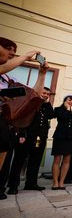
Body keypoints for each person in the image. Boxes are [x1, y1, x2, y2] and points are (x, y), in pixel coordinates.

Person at [0, 37, 42, 175]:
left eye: (14, 50)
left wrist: (42, 73)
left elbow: (33, 94)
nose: (12, 52)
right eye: (8, 48)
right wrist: (25, 56)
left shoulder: (8, 78)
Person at [7, 87, 54, 194]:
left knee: (35, 160)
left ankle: (31, 183)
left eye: (48, 94)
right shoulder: (29, 103)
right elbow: (22, 120)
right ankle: (13, 185)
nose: (46, 95)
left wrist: (46, 103)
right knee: (19, 161)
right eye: (44, 93)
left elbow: (51, 115)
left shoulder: (45, 106)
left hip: (40, 138)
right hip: (26, 137)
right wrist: (22, 134)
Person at [51, 95, 72, 190]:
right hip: (60, 137)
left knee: (67, 160)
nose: (71, 102)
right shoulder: (58, 109)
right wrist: (67, 109)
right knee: (57, 160)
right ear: (65, 100)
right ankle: (55, 182)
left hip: (70, 138)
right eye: (69, 100)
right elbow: (64, 118)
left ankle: (62, 182)